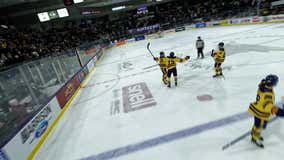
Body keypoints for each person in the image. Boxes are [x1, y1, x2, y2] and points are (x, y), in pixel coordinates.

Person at [248, 74, 284, 148]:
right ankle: (255, 138)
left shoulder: (263, 85)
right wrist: (279, 111)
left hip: (257, 108)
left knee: (257, 124)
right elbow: (268, 106)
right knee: (260, 126)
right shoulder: (268, 94)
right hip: (261, 113)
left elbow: (263, 81)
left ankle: (253, 133)